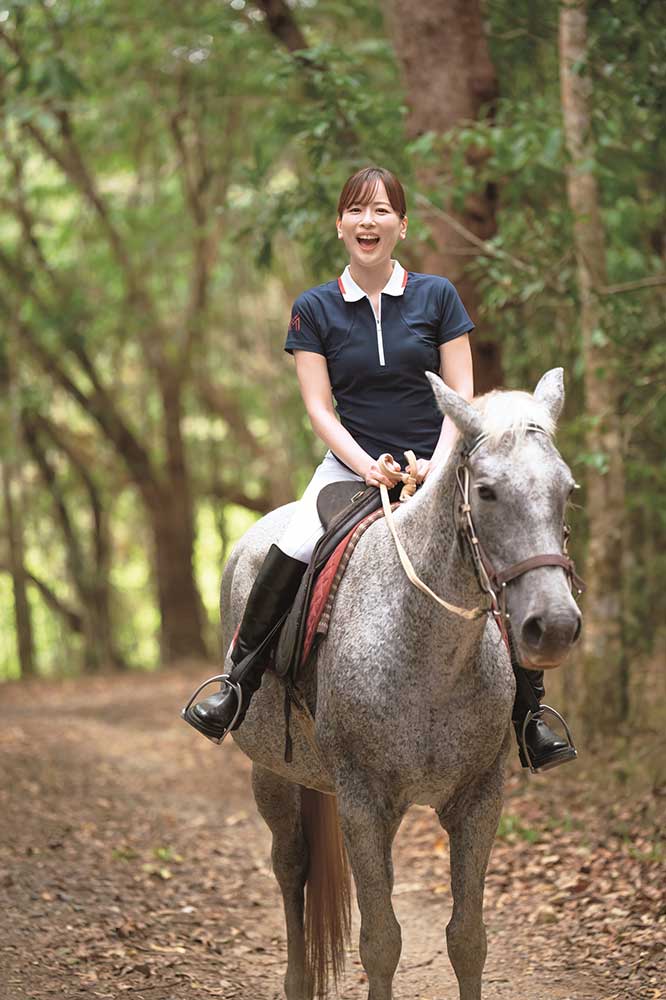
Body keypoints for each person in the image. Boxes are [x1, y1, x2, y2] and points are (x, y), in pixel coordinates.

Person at [183, 165, 576, 772]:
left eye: (382, 211)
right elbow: (319, 407)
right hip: (350, 465)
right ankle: (238, 683)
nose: (369, 222)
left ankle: (529, 714)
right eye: (357, 211)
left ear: (401, 224)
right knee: (293, 543)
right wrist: (366, 465)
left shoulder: (437, 296)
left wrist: (437, 464)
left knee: (501, 551)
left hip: (441, 466)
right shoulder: (313, 308)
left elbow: (461, 397)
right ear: (340, 225)